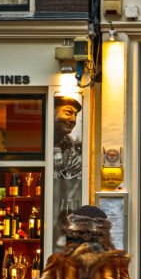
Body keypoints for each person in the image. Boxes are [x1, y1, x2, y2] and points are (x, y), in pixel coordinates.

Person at [52, 94, 83, 249]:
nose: (73, 119)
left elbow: (70, 174)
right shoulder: (39, 137)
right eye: (68, 112)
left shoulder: (69, 144)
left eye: (75, 115)